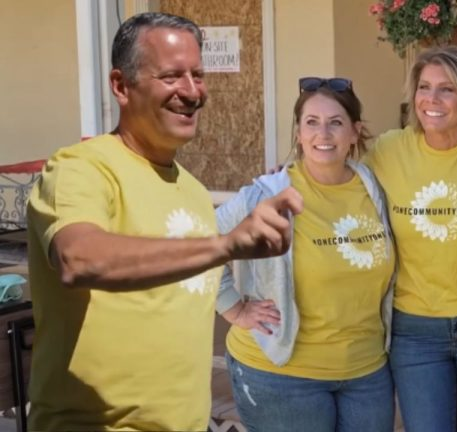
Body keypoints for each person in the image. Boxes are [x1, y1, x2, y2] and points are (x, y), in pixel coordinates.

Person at [25, 12, 302, 431]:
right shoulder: (81, 169)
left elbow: (188, 291)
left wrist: (238, 309)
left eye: (198, 75)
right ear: (121, 85)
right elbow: (78, 259)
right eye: (172, 76)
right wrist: (226, 245)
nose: (192, 92)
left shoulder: (193, 191)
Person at [215, 77, 396, 432]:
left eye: (335, 122)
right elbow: (202, 237)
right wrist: (232, 307)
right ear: (298, 133)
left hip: (366, 373)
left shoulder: (374, 187)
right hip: (282, 376)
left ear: (355, 132)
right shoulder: (267, 194)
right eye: (311, 122)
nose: (322, 134)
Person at [365, 46, 457, 431]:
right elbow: (334, 173)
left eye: (447, 89)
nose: (432, 99)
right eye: (424, 87)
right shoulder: (389, 149)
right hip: (416, 330)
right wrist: (284, 177)